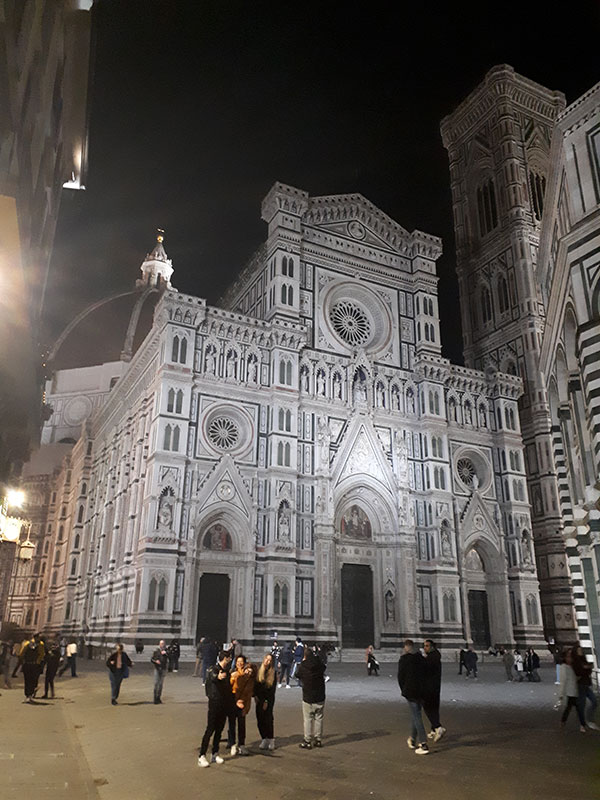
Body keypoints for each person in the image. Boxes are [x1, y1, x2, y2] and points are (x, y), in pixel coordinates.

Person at [198, 650, 233, 767]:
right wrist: (218, 676)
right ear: (226, 658)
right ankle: (201, 755)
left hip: (224, 704)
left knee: (219, 730)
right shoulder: (214, 669)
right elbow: (212, 677)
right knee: (210, 729)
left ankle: (215, 753)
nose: (230, 660)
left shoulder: (227, 672)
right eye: (229, 658)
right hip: (214, 703)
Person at [398, 639, 429, 755]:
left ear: (406, 647)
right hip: (422, 692)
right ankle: (412, 739)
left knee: (417, 716)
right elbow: (427, 675)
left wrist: (404, 690)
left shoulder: (404, 660)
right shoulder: (421, 659)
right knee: (415, 714)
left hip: (410, 692)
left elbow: (400, 677)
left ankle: (424, 743)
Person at [296, 646, 326, 749]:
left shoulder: (303, 666)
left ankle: (307, 740)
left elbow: (297, 675)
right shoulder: (319, 664)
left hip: (308, 696)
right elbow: (323, 667)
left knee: (308, 719)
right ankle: (318, 740)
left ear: (304, 656)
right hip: (320, 695)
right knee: (319, 718)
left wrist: (303, 662)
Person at [228, 654, 256, 755]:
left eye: (241, 662)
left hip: (243, 702)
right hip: (232, 702)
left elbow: (248, 691)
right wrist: (231, 678)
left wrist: (241, 701)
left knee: (241, 724)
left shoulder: (247, 674)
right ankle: (232, 744)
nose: (239, 663)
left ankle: (242, 744)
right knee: (232, 724)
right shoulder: (232, 673)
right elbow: (228, 688)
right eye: (238, 662)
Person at [423, 639, 446, 742]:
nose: (425, 648)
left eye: (427, 646)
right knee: (434, 708)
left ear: (432, 647)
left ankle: (438, 727)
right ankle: (433, 730)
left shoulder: (431, 658)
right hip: (435, 687)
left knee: (428, 708)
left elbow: (426, 671)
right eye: (424, 646)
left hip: (430, 687)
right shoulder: (435, 656)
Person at [559, 648, 587, 731]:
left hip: (576, 689)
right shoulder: (564, 667)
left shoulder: (574, 666)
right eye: (568, 656)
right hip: (571, 691)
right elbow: (563, 680)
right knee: (576, 707)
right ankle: (582, 724)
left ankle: (564, 721)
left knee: (571, 707)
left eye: (570, 656)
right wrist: (561, 694)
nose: (569, 658)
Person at [572, 645, 599, 730]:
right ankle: (582, 724)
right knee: (581, 705)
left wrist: (586, 669)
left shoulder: (583, 659)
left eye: (581, 650)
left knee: (594, 701)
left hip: (586, 684)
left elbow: (589, 670)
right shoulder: (575, 662)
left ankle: (590, 720)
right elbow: (578, 672)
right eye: (578, 650)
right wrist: (585, 669)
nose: (580, 652)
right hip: (580, 685)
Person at [254, 653, 277, 750]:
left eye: (269, 660)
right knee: (260, 720)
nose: (267, 661)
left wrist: (266, 701)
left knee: (268, 719)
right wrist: (255, 695)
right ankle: (264, 738)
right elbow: (256, 685)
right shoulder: (259, 670)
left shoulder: (272, 673)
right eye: (266, 659)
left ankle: (271, 739)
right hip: (259, 699)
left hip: (268, 699)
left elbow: (271, 690)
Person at [21, 637, 43, 703]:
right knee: (33, 680)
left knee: (27, 680)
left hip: (27, 664)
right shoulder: (40, 644)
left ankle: (28, 696)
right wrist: (38, 662)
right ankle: (30, 695)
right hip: (34, 665)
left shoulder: (27, 644)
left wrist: (23, 660)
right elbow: (42, 654)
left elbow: (21, 653)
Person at [151, 639, 168, 704]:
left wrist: (166, 653)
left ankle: (158, 698)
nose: (162, 645)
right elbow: (152, 659)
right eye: (161, 644)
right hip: (157, 668)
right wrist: (156, 661)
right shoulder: (156, 651)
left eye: (163, 644)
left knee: (160, 684)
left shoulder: (166, 651)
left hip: (163, 669)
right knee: (156, 683)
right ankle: (155, 698)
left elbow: (170, 657)